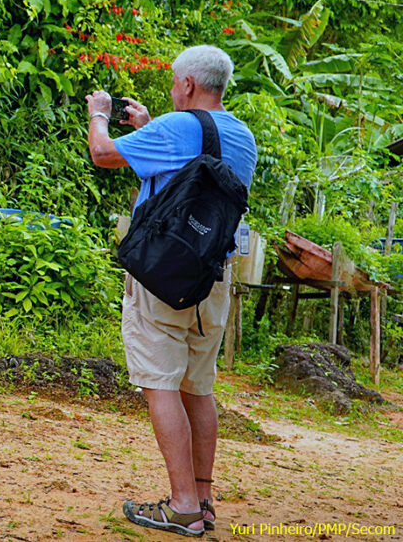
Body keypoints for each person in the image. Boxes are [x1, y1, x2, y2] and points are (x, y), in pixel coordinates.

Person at [85, 45, 257, 537]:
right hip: (212, 278)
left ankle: (181, 505)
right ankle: (202, 499)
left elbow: (103, 153)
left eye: (174, 83)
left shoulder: (176, 127)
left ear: (186, 85)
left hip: (161, 279)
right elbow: (192, 167)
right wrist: (149, 126)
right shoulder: (244, 137)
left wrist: (101, 116)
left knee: (159, 383)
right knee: (198, 390)